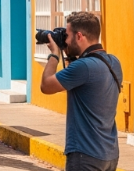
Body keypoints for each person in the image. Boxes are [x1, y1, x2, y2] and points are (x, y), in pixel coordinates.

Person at [40, 11, 123, 171]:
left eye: (67, 35)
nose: (65, 40)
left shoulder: (83, 67)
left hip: (85, 155)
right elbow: (81, 83)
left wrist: (54, 54)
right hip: (109, 154)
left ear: (79, 36)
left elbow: (46, 86)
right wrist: (70, 54)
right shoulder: (113, 62)